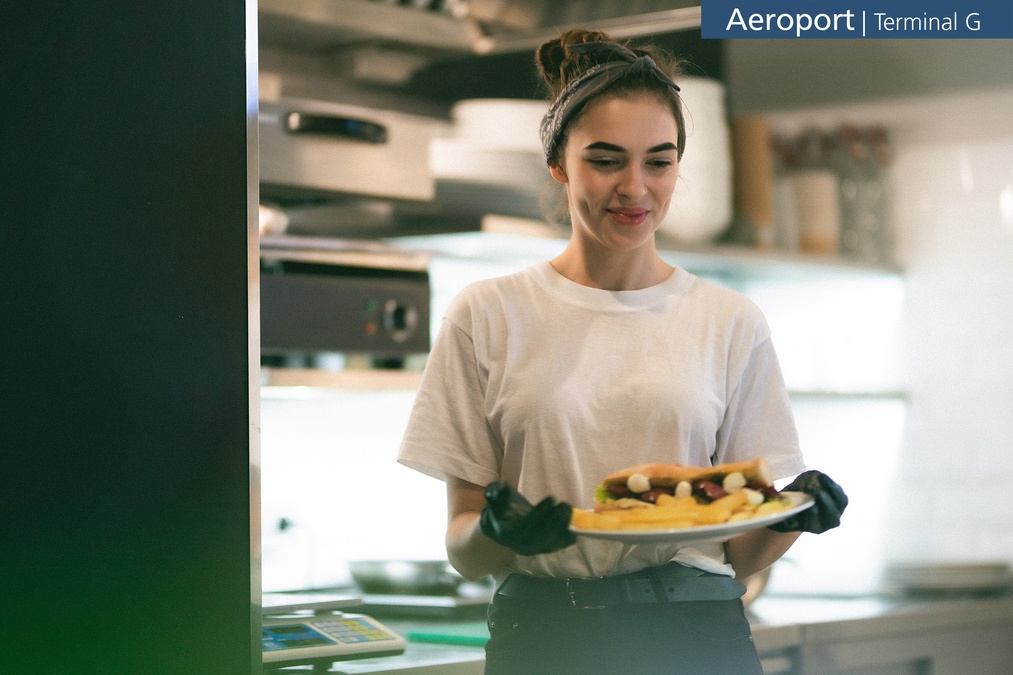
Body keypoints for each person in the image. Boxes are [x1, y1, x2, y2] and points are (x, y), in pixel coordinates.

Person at [398, 28, 848, 675]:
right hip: (546, 636)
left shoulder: (729, 320)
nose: (635, 187)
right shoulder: (487, 312)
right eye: (606, 159)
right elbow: (462, 546)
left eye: (658, 161)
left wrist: (793, 516)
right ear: (559, 162)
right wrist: (499, 535)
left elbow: (736, 551)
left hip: (696, 634)